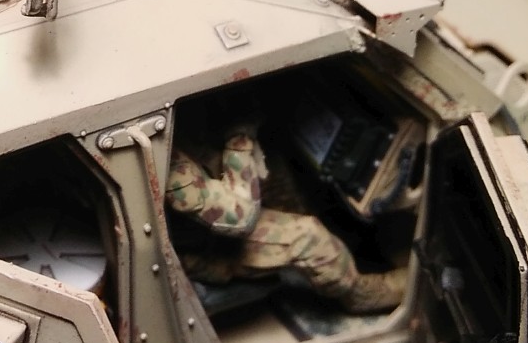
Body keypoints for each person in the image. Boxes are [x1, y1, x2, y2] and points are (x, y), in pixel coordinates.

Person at [166, 123, 406, 315]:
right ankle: (360, 294)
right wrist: (240, 135)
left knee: (279, 170)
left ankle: (348, 239)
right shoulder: (167, 164)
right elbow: (239, 217)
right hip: (201, 246)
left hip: (199, 209)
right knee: (309, 238)